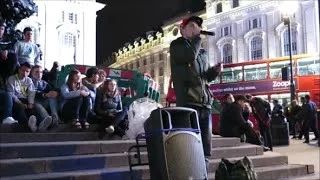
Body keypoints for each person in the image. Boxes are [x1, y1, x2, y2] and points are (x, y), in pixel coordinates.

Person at [169, 16, 222, 170]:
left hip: (205, 103)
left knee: (206, 148)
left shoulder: (201, 52)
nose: (195, 29)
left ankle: (202, 175)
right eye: (191, 26)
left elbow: (205, 77)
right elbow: (189, 55)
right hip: (188, 103)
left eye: (197, 26)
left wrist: (214, 71)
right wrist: (197, 38)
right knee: (190, 146)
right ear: (182, 29)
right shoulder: (177, 45)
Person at [6, 62, 52, 132]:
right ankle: (28, 125)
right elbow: (11, 94)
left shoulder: (29, 80)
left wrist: (30, 103)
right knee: (21, 110)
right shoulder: (12, 79)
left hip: (26, 99)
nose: (24, 73)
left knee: (33, 109)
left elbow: (31, 92)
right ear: (19, 70)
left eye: (27, 71)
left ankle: (40, 124)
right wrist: (20, 103)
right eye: (23, 70)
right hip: (15, 100)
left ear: (29, 72)